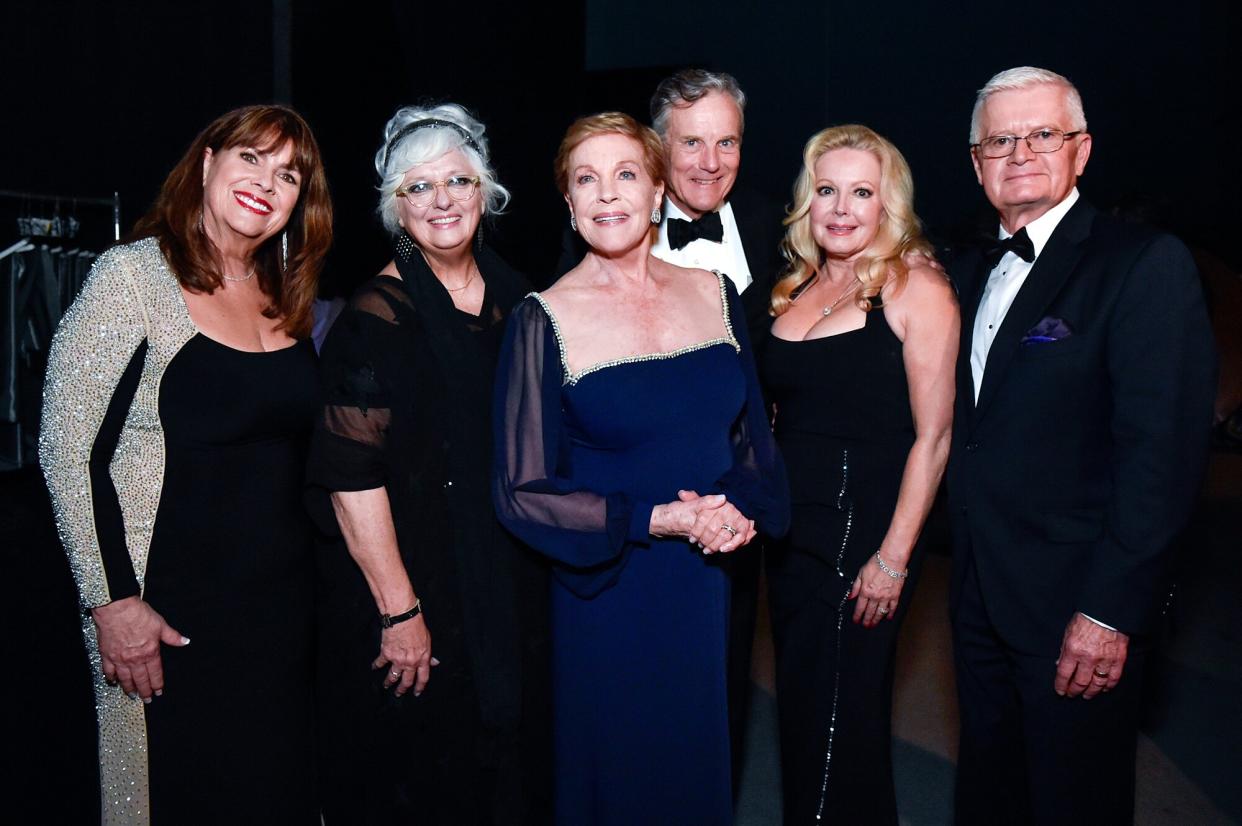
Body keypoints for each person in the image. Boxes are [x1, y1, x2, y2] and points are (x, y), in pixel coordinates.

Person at [493, 112, 788, 826]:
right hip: (612, 587)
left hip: (705, 583)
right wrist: (656, 519)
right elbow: (520, 491)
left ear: (658, 191)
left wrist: (737, 510)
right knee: (619, 780)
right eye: (584, 180)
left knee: (693, 768)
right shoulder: (544, 318)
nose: (606, 194)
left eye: (626, 174)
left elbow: (752, 434)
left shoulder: (715, 293)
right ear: (567, 203)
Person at [39, 105, 332, 824]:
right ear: (206, 164)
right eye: (251, 159)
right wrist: (112, 604)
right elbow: (67, 450)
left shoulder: (284, 297)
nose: (268, 182)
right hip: (162, 613)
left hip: (279, 618)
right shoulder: (132, 277)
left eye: (289, 174)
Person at [947, 67, 1216, 824]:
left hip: (1075, 603)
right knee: (992, 792)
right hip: (976, 592)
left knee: (1075, 801)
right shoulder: (963, 269)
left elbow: (1160, 458)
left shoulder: (1142, 264)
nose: (1020, 152)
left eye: (1043, 134)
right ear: (975, 162)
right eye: (1000, 139)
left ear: (1082, 151)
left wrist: (1109, 611)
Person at [306, 103, 550, 824]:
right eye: (419, 187)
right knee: (425, 779)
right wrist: (399, 609)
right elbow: (350, 480)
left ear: (487, 191)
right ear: (394, 205)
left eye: (458, 181)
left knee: (509, 775)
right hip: (418, 588)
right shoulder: (373, 319)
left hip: (508, 579)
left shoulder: (521, 298)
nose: (442, 200)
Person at [761, 124, 958, 823]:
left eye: (862, 192)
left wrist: (895, 559)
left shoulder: (916, 287)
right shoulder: (800, 286)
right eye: (826, 190)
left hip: (862, 539)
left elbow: (933, 438)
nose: (842, 208)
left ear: (887, 205)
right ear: (806, 202)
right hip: (793, 540)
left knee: (843, 722)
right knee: (807, 714)